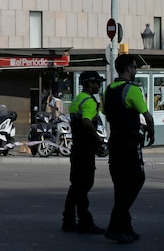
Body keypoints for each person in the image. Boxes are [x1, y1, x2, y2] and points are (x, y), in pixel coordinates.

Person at [102, 54, 155, 244]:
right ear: (128, 69)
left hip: (115, 140)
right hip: (129, 144)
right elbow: (148, 117)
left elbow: (109, 113)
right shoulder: (131, 90)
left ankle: (126, 228)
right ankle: (115, 227)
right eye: (134, 67)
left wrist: (130, 123)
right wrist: (151, 132)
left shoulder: (108, 90)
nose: (136, 70)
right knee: (136, 180)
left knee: (121, 185)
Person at [62, 71, 106, 234]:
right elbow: (87, 122)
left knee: (75, 186)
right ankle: (85, 222)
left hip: (77, 148)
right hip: (85, 150)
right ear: (89, 83)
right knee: (84, 185)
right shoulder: (88, 101)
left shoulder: (77, 99)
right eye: (96, 82)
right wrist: (98, 139)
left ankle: (68, 220)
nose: (99, 85)